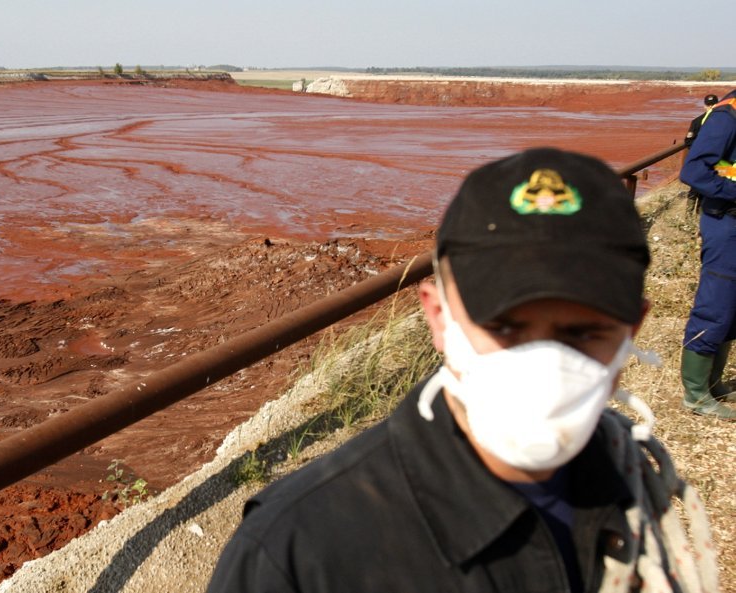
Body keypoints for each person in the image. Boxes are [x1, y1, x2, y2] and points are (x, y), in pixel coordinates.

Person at [207, 148, 718, 593]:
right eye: (506, 327)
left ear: (632, 330)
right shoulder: (297, 551)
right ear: (438, 318)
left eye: (582, 334)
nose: (546, 367)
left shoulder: (630, 486)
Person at [678, 89, 736, 420]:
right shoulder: (727, 117)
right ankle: (696, 394)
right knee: (717, 304)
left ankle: (714, 384)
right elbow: (694, 172)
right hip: (725, 222)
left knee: (732, 307)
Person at [684, 94, 722, 213]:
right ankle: (688, 215)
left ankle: (701, 214)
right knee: (694, 187)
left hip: (717, 161)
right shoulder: (697, 122)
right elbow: (688, 140)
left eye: (713, 104)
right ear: (705, 106)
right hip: (700, 160)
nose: (710, 107)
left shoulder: (724, 123)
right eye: (708, 105)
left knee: (709, 188)